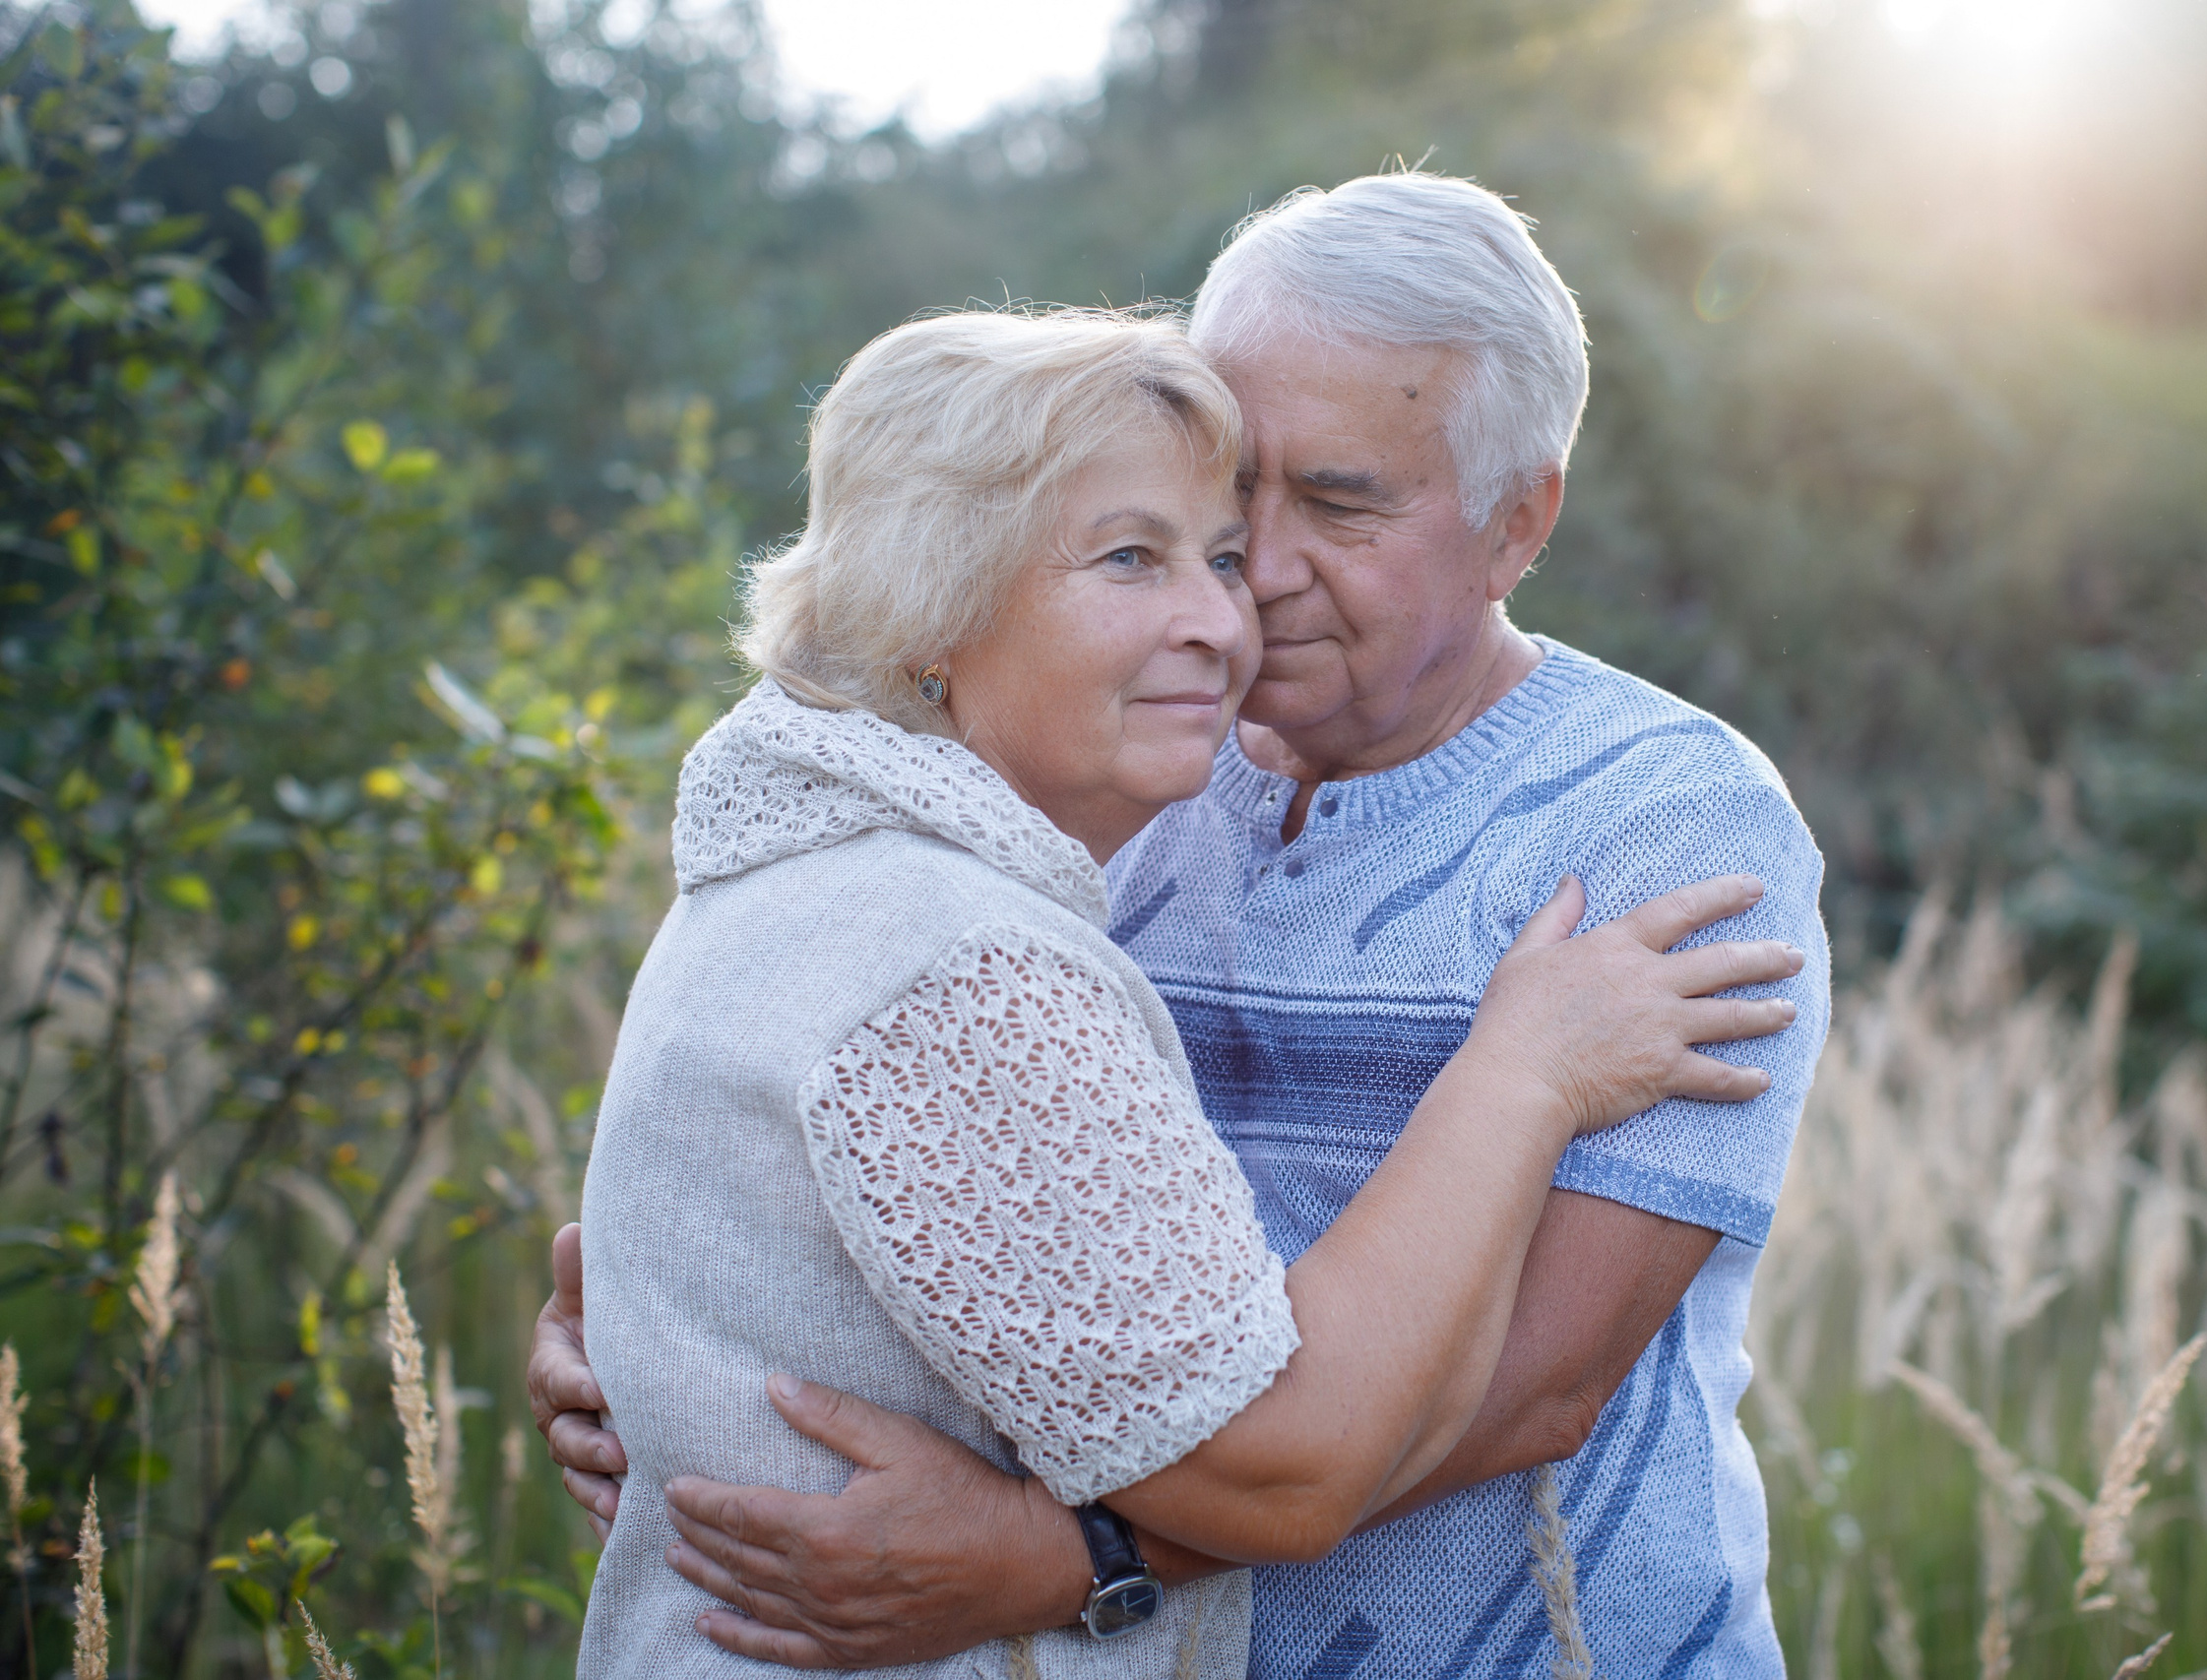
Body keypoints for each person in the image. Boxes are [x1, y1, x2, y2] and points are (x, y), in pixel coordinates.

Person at [561, 301, 1807, 1677]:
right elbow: (1283, 1453)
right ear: (932, 601)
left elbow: (1537, 1385)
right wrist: (638, 1330)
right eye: (1139, 555)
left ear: (1519, 521)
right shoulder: (1019, 873)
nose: (1240, 598)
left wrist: (1055, 1558)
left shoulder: (1663, 819)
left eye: (1324, 508)